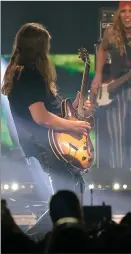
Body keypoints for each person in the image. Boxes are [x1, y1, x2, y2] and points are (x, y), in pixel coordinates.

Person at [1, 22, 92, 236]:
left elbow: (53, 109)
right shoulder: (28, 75)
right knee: (66, 202)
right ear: (40, 47)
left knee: (75, 192)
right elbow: (41, 117)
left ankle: (40, 240)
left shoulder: (29, 74)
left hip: (50, 143)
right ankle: (29, 240)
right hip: (44, 144)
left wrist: (75, 107)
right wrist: (73, 125)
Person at [91, 1, 131, 169]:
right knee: (116, 136)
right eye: (124, 11)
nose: (127, 15)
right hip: (115, 89)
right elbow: (102, 49)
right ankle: (117, 181)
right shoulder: (111, 31)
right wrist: (98, 75)